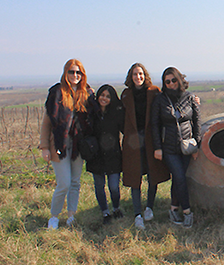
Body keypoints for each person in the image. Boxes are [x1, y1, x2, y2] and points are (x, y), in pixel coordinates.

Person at [39, 59, 95, 229]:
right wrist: (45, 147)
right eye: (72, 72)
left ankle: (71, 216)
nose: (75, 75)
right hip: (59, 145)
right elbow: (47, 123)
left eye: (79, 72)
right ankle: (54, 216)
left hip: (79, 145)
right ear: (65, 73)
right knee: (64, 183)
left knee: (75, 182)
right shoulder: (56, 93)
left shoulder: (86, 93)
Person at [121, 63, 170, 230]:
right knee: (135, 177)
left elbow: (168, 102)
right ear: (131, 76)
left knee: (152, 173)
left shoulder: (154, 92)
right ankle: (137, 214)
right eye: (135, 74)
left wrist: (193, 99)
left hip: (151, 139)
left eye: (140, 74)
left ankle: (149, 207)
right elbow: (121, 117)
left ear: (145, 75)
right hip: (133, 142)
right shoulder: (126, 94)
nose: (138, 77)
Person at [151, 67, 201, 228]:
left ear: (179, 80)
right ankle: (187, 211)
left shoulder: (190, 98)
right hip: (169, 148)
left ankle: (173, 209)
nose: (171, 83)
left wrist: (196, 145)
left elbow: (197, 122)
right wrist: (158, 148)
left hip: (186, 146)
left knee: (179, 180)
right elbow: (155, 125)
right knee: (179, 177)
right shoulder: (160, 99)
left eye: (173, 80)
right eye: (167, 81)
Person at [86, 85, 124, 225]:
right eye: (102, 95)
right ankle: (105, 212)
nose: (104, 98)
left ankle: (116, 207)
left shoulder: (116, 113)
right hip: (96, 155)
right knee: (99, 185)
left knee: (114, 186)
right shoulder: (92, 113)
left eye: (108, 96)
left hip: (113, 155)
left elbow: (126, 128)